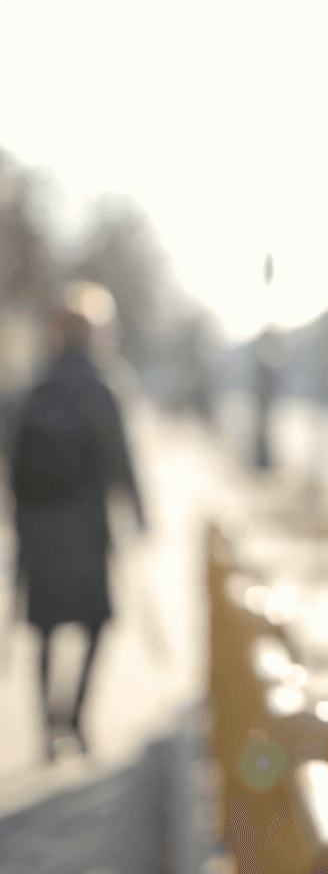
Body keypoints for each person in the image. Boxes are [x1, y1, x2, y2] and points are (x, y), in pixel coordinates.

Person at [9, 309, 146, 761]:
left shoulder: (34, 387)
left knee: (44, 629)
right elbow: (122, 455)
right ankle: (76, 718)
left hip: (38, 531)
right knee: (95, 623)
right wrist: (139, 512)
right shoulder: (100, 388)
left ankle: (47, 727)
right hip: (88, 529)